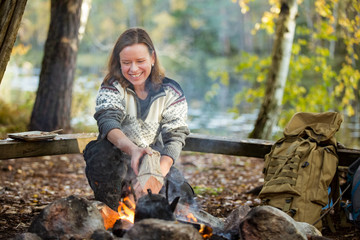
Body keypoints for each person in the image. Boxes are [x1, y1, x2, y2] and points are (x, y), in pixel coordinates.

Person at [83, 27, 195, 211]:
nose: (133, 69)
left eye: (140, 61)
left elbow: (175, 136)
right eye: (126, 62)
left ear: (153, 58)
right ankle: (112, 209)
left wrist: (156, 174)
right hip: (114, 158)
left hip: (153, 159)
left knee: (183, 197)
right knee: (100, 153)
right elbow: (107, 121)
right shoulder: (112, 86)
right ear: (118, 62)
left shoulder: (172, 91)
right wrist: (133, 150)